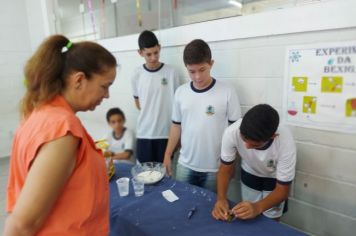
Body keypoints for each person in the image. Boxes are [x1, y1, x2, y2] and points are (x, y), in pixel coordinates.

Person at [4, 35, 117, 235]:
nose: (106, 95)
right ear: (79, 80)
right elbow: (21, 224)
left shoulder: (39, 113)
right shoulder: (62, 131)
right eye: (104, 86)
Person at [163, 39, 241, 192]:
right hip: (185, 165)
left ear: (211, 64)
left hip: (216, 168)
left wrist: (230, 164)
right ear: (186, 67)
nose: (197, 77)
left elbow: (236, 132)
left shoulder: (227, 91)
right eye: (192, 71)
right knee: (182, 206)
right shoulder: (181, 92)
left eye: (202, 69)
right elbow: (176, 126)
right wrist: (167, 154)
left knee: (210, 211)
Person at [212, 104, 296, 221]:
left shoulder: (285, 141)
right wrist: (221, 198)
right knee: (248, 216)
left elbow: (282, 190)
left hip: (274, 178)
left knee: (271, 221)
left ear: (273, 136)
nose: (246, 146)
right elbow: (225, 169)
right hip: (250, 172)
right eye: (244, 139)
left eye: (255, 145)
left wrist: (258, 207)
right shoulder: (231, 132)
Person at [131, 30, 180, 163]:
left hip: (166, 134)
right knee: (144, 175)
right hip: (144, 134)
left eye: (156, 52)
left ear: (159, 47)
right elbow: (138, 103)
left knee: (165, 176)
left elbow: (177, 106)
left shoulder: (171, 72)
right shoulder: (137, 74)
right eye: (148, 54)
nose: (153, 57)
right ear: (140, 53)